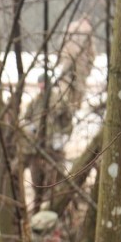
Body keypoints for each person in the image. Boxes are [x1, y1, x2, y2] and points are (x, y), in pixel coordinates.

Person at [21, 73, 73, 206]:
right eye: (40, 83)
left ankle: (53, 208)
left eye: (43, 82)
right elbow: (26, 119)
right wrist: (31, 129)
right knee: (36, 181)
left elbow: (68, 122)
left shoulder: (59, 100)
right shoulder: (35, 101)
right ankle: (38, 208)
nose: (41, 86)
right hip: (36, 148)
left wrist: (63, 138)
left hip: (54, 150)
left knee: (54, 182)